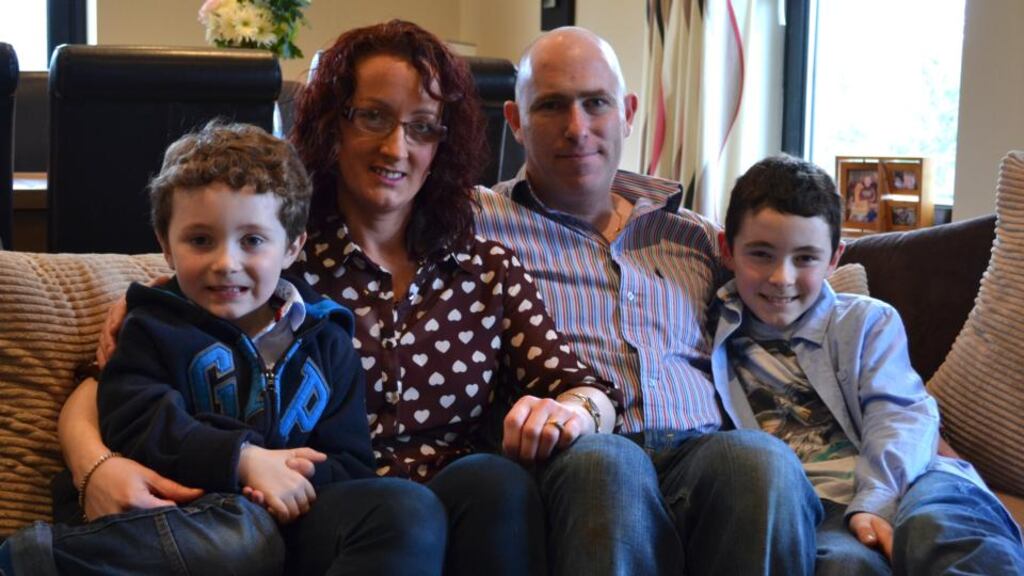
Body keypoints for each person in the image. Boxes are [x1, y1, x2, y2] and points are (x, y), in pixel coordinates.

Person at [56, 20, 618, 576]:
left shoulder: (484, 269)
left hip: (446, 507)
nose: (397, 146)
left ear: (443, 144)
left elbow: (580, 386)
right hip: (310, 512)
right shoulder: (269, 257)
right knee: (398, 511)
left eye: (422, 126)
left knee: (496, 481)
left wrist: (570, 412)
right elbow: (109, 382)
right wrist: (95, 468)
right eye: (373, 116)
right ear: (333, 124)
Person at [1, 122, 448, 576]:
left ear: (292, 246)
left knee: (406, 508)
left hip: (290, 524)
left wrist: (283, 478)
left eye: (252, 240)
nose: (225, 263)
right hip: (178, 516)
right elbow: (138, 423)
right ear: (166, 247)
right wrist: (245, 461)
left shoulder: (327, 339)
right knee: (241, 538)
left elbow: (350, 464)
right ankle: (30, 561)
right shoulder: (152, 326)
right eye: (200, 240)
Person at [474, 27, 820, 575]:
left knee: (762, 461)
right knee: (609, 465)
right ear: (514, 122)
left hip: (702, 453)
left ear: (628, 111)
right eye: (551, 106)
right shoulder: (476, 224)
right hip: (577, 452)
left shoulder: (699, 237)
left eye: (596, 103)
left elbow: (800, 300)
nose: (577, 128)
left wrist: (895, 396)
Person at [710, 154, 1024, 575]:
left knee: (942, 529)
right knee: (845, 565)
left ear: (834, 257)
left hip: (915, 475)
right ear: (727, 250)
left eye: (805, 258)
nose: (781, 278)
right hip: (817, 506)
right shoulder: (703, 326)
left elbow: (900, 417)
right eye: (761, 254)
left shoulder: (866, 321)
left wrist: (875, 501)